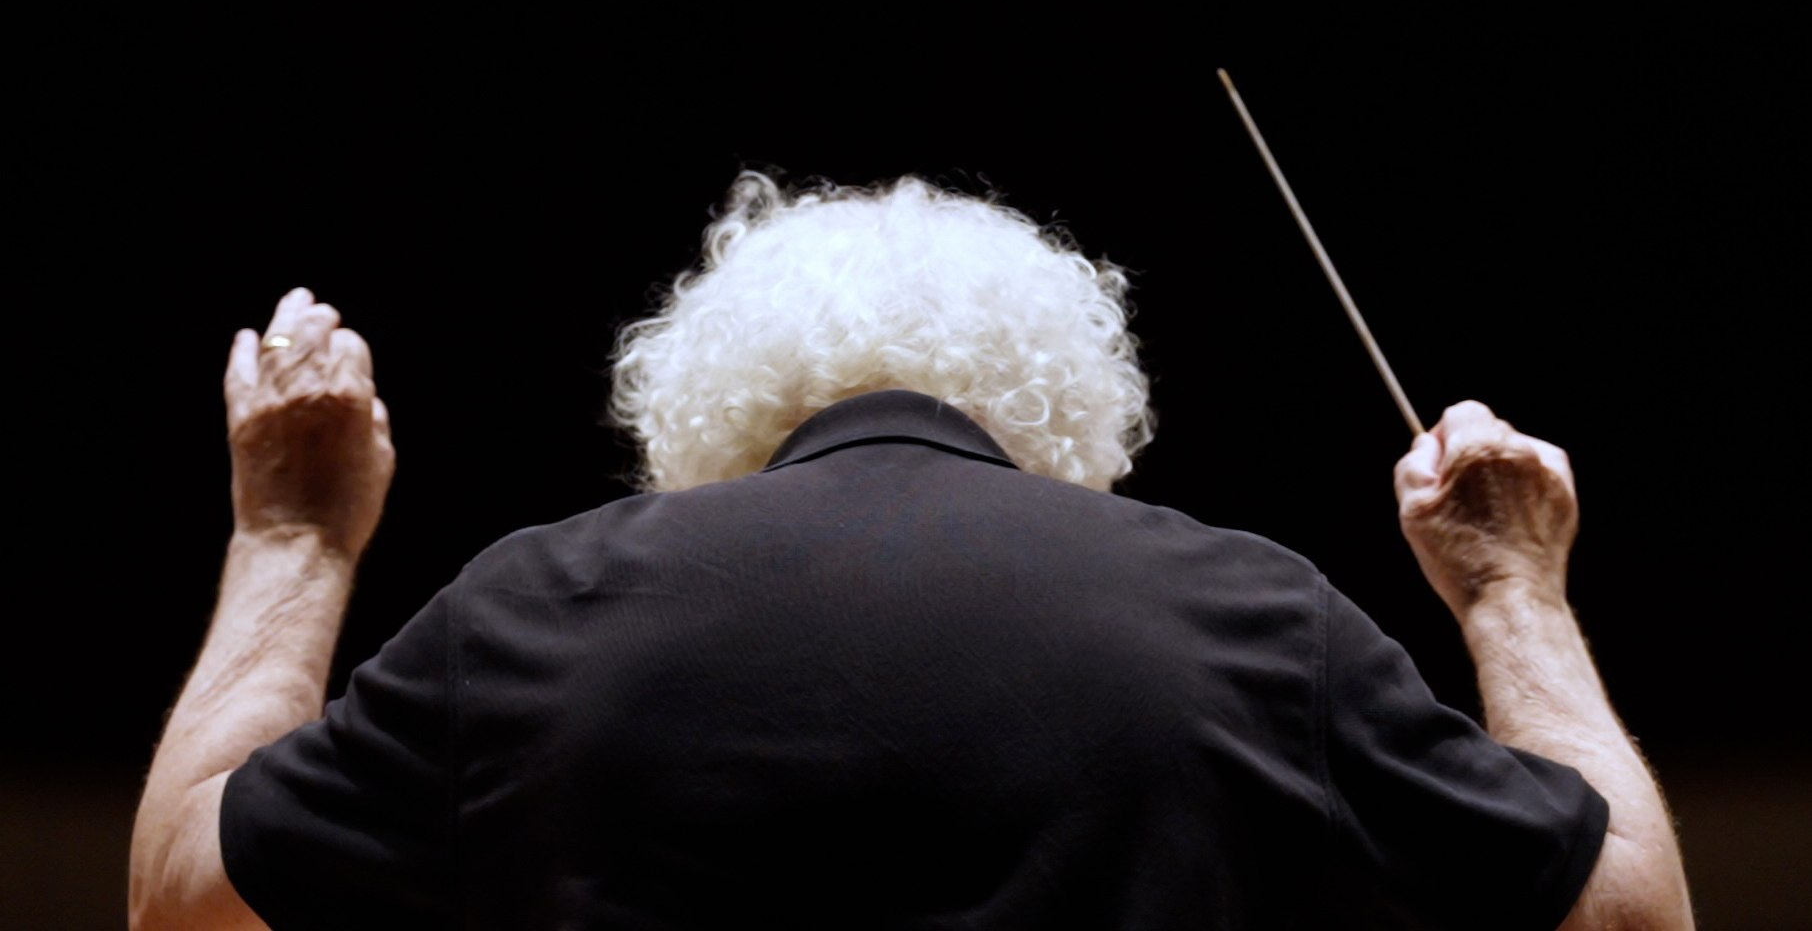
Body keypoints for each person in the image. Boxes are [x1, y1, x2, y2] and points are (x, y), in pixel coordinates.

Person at [129, 173, 1693, 929]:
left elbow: (184, 897)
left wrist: (291, 536)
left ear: (708, 398)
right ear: (1068, 402)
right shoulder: (1250, 612)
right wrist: (1511, 589)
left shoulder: (535, 601)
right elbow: (1628, 913)